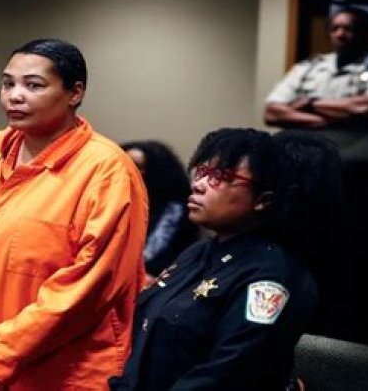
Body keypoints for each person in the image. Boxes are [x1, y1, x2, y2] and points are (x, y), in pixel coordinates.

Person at [0, 38, 148, 390]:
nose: (14, 96)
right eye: (8, 84)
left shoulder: (107, 170)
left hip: (66, 370)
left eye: (33, 85)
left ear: (75, 93)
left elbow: (90, 285)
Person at [110, 128, 341, 390]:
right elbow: (144, 336)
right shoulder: (198, 251)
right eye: (202, 171)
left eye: (221, 176)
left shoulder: (272, 277)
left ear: (263, 200)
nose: (198, 184)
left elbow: (226, 375)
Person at [264, 6, 368, 348]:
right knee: (307, 250)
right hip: (308, 180)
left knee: (354, 258)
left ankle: (347, 337)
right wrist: (339, 114)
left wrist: (307, 105)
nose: (342, 34)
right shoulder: (309, 67)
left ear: (366, 34)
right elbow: (272, 111)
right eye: (336, 28)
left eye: (350, 28)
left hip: (361, 179)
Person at [121, 140, 199, 277]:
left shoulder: (174, 210)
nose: (129, 171)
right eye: (125, 164)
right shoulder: (114, 198)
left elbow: (152, 257)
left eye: (137, 166)